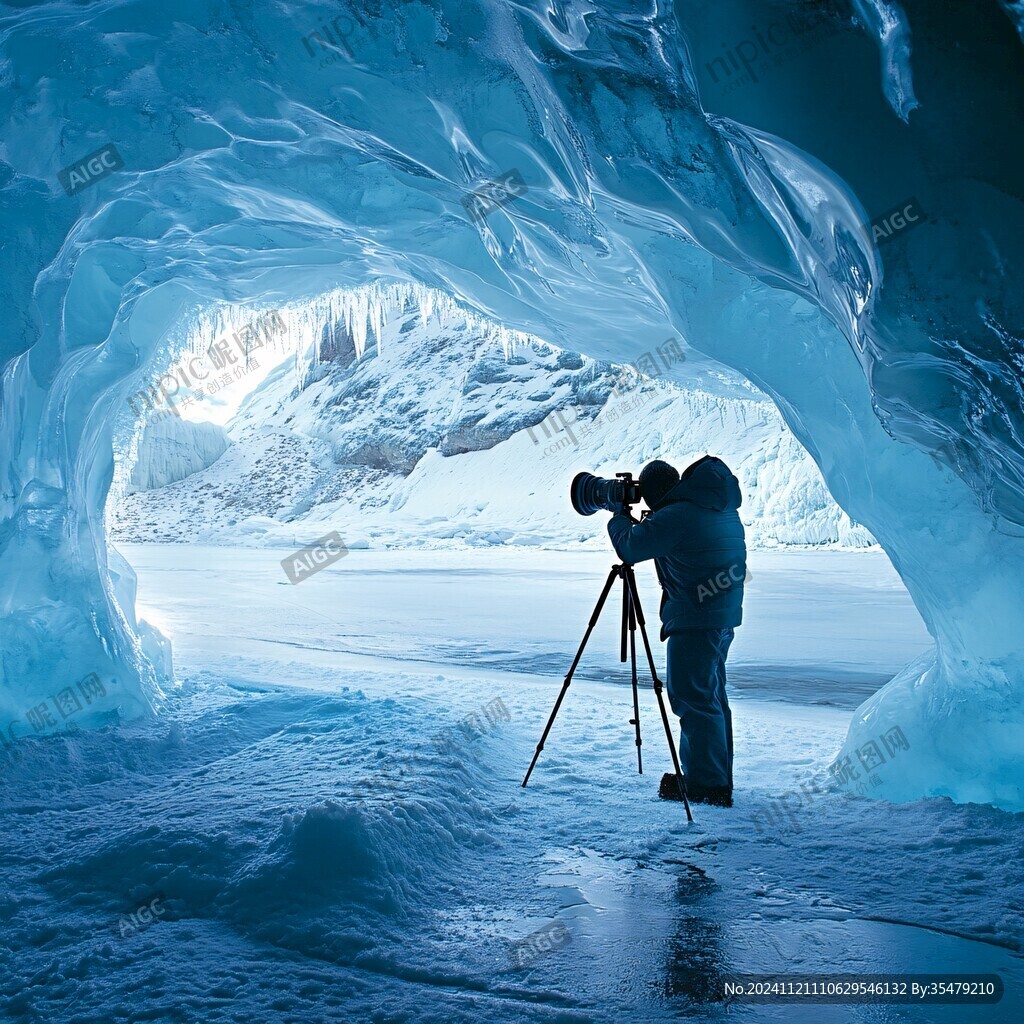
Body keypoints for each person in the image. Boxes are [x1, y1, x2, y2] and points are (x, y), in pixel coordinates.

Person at [606, 457, 746, 807]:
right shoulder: (715, 505)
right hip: (720, 615)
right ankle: (717, 777)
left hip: (695, 618)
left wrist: (617, 515)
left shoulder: (679, 515)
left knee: (693, 697)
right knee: (711, 697)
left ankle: (706, 785)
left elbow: (631, 547)